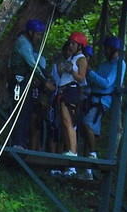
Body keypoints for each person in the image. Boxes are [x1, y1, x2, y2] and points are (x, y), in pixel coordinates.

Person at [79, 35, 127, 177]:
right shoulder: (105, 64)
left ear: (113, 49)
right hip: (93, 97)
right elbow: (95, 81)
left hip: (102, 100)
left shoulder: (119, 64)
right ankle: (88, 171)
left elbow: (106, 83)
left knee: (86, 124)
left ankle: (93, 154)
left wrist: (90, 72)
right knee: (89, 132)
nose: (105, 51)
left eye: (106, 48)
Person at [50, 31, 89, 175]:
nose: (71, 45)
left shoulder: (81, 59)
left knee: (69, 123)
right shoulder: (72, 58)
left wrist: (71, 71)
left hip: (72, 91)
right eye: (70, 43)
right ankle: (69, 151)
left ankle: (73, 152)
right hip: (64, 90)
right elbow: (62, 75)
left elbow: (81, 78)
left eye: (73, 43)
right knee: (64, 124)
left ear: (80, 45)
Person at [9, 18, 48, 149]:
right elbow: (33, 65)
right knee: (21, 110)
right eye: (37, 34)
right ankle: (17, 143)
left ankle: (20, 141)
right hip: (20, 81)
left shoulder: (25, 43)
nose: (38, 37)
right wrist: (45, 81)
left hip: (23, 80)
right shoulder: (24, 44)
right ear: (30, 32)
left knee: (25, 111)